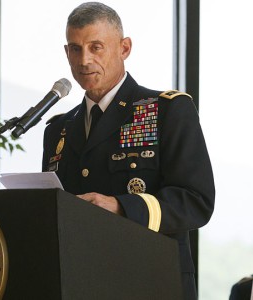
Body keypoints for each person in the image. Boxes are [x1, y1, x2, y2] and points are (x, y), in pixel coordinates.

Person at [42, 2, 215, 300]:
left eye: (96, 47)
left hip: (149, 280)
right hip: (79, 282)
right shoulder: (58, 129)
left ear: (124, 48)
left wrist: (122, 207)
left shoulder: (167, 110)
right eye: (75, 48)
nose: (84, 60)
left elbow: (196, 201)